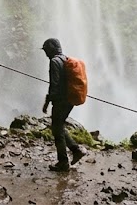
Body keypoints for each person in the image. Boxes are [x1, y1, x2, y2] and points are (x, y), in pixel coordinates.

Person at [41, 38, 85, 172]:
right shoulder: (65, 59)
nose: (45, 53)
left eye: (46, 50)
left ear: (52, 48)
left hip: (61, 101)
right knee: (59, 126)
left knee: (56, 130)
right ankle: (75, 150)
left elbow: (54, 84)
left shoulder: (54, 61)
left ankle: (63, 162)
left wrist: (47, 102)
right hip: (69, 100)